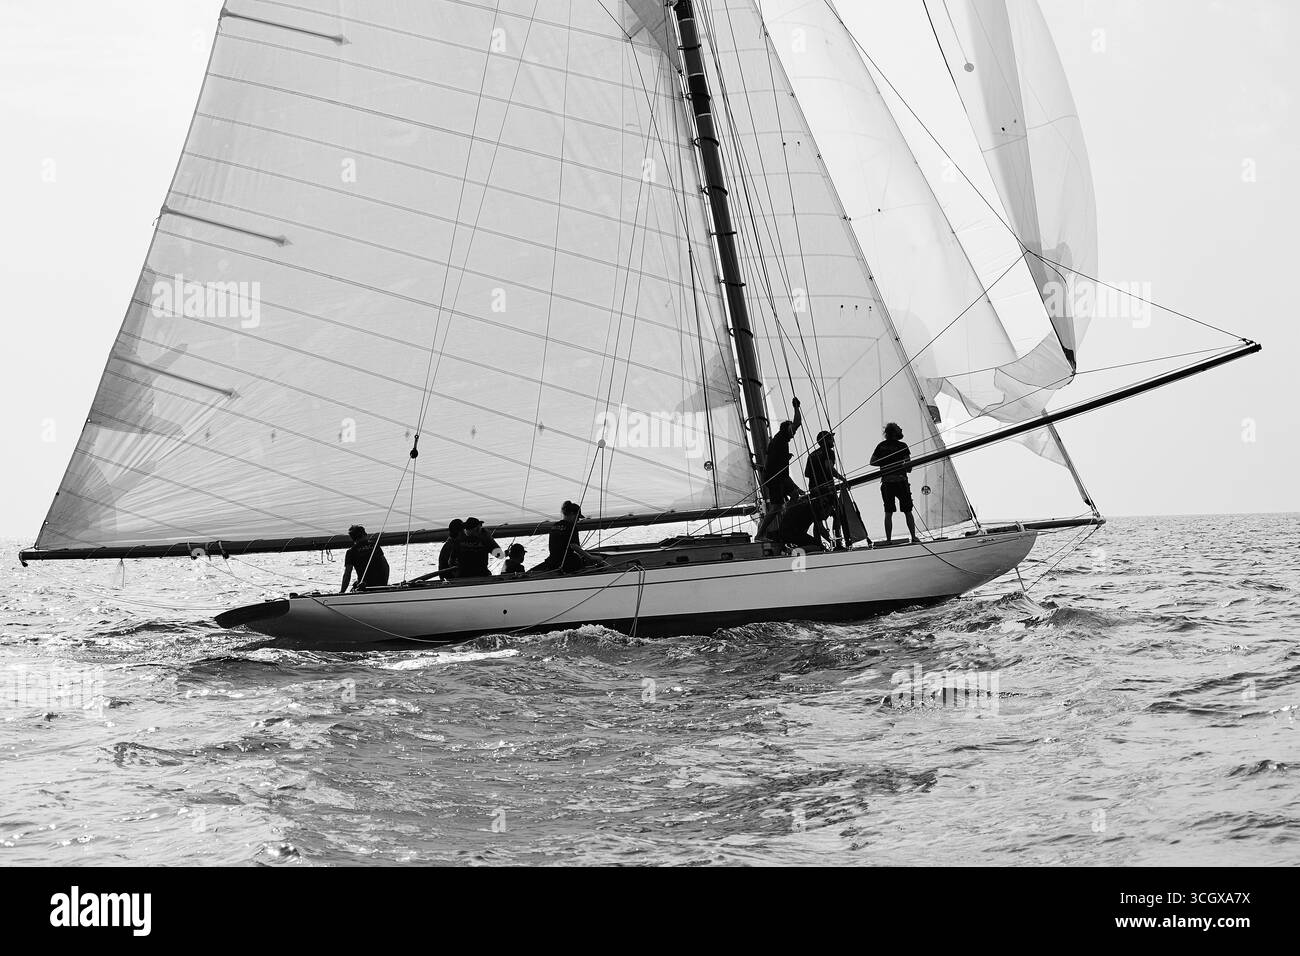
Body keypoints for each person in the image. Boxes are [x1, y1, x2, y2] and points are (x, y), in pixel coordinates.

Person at [870, 422, 918, 544]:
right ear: (895, 432)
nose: (901, 429)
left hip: (887, 483)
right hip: (901, 481)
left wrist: (885, 462)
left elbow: (872, 462)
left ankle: (888, 540)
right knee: (908, 511)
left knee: (888, 512)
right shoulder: (903, 446)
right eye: (899, 428)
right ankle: (914, 537)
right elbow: (909, 467)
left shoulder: (881, 446)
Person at [531, 500, 604, 574]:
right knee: (577, 559)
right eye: (577, 517)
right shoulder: (571, 527)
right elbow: (574, 546)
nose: (578, 520)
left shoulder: (555, 526)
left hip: (553, 562)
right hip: (566, 563)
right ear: (572, 514)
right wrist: (591, 557)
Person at [805, 430, 847, 550]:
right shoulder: (829, 452)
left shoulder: (811, 455)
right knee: (838, 514)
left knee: (817, 519)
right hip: (827, 489)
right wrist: (842, 479)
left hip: (814, 489)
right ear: (824, 441)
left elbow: (807, 474)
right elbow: (829, 468)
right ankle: (838, 542)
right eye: (830, 438)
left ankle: (818, 544)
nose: (832, 440)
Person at [762, 396, 803, 508]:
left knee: (794, 496)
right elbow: (797, 423)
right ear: (787, 429)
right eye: (792, 431)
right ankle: (783, 513)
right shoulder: (781, 438)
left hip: (776, 476)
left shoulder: (780, 440)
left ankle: (785, 512)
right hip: (774, 478)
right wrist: (796, 407)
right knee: (776, 507)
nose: (794, 434)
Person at [340, 524, 389, 593]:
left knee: (355, 585)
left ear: (353, 538)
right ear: (364, 534)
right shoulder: (375, 546)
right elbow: (386, 566)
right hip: (381, 584)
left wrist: (342, 592)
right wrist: (384, 585)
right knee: (356, 583)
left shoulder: (351, 552)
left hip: (365, 587)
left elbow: (347, 574)